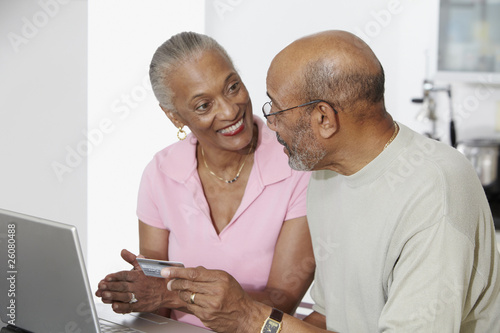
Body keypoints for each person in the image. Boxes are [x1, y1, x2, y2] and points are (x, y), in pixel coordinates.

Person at [163, 30, 500, 333]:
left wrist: (253, 319)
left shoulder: (435, 189)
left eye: (276, 109)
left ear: (323, 118)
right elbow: (328, 318)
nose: (270, 124)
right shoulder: (325, 174)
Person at [94, 31, 314, 328]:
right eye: (203, 106)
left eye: (232, 87)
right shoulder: (161, 172)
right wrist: (135, 293)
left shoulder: (298, 166)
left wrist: (173, 296)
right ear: (175, 117)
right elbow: (155, 295)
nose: (230, 110)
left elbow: (282, 299)